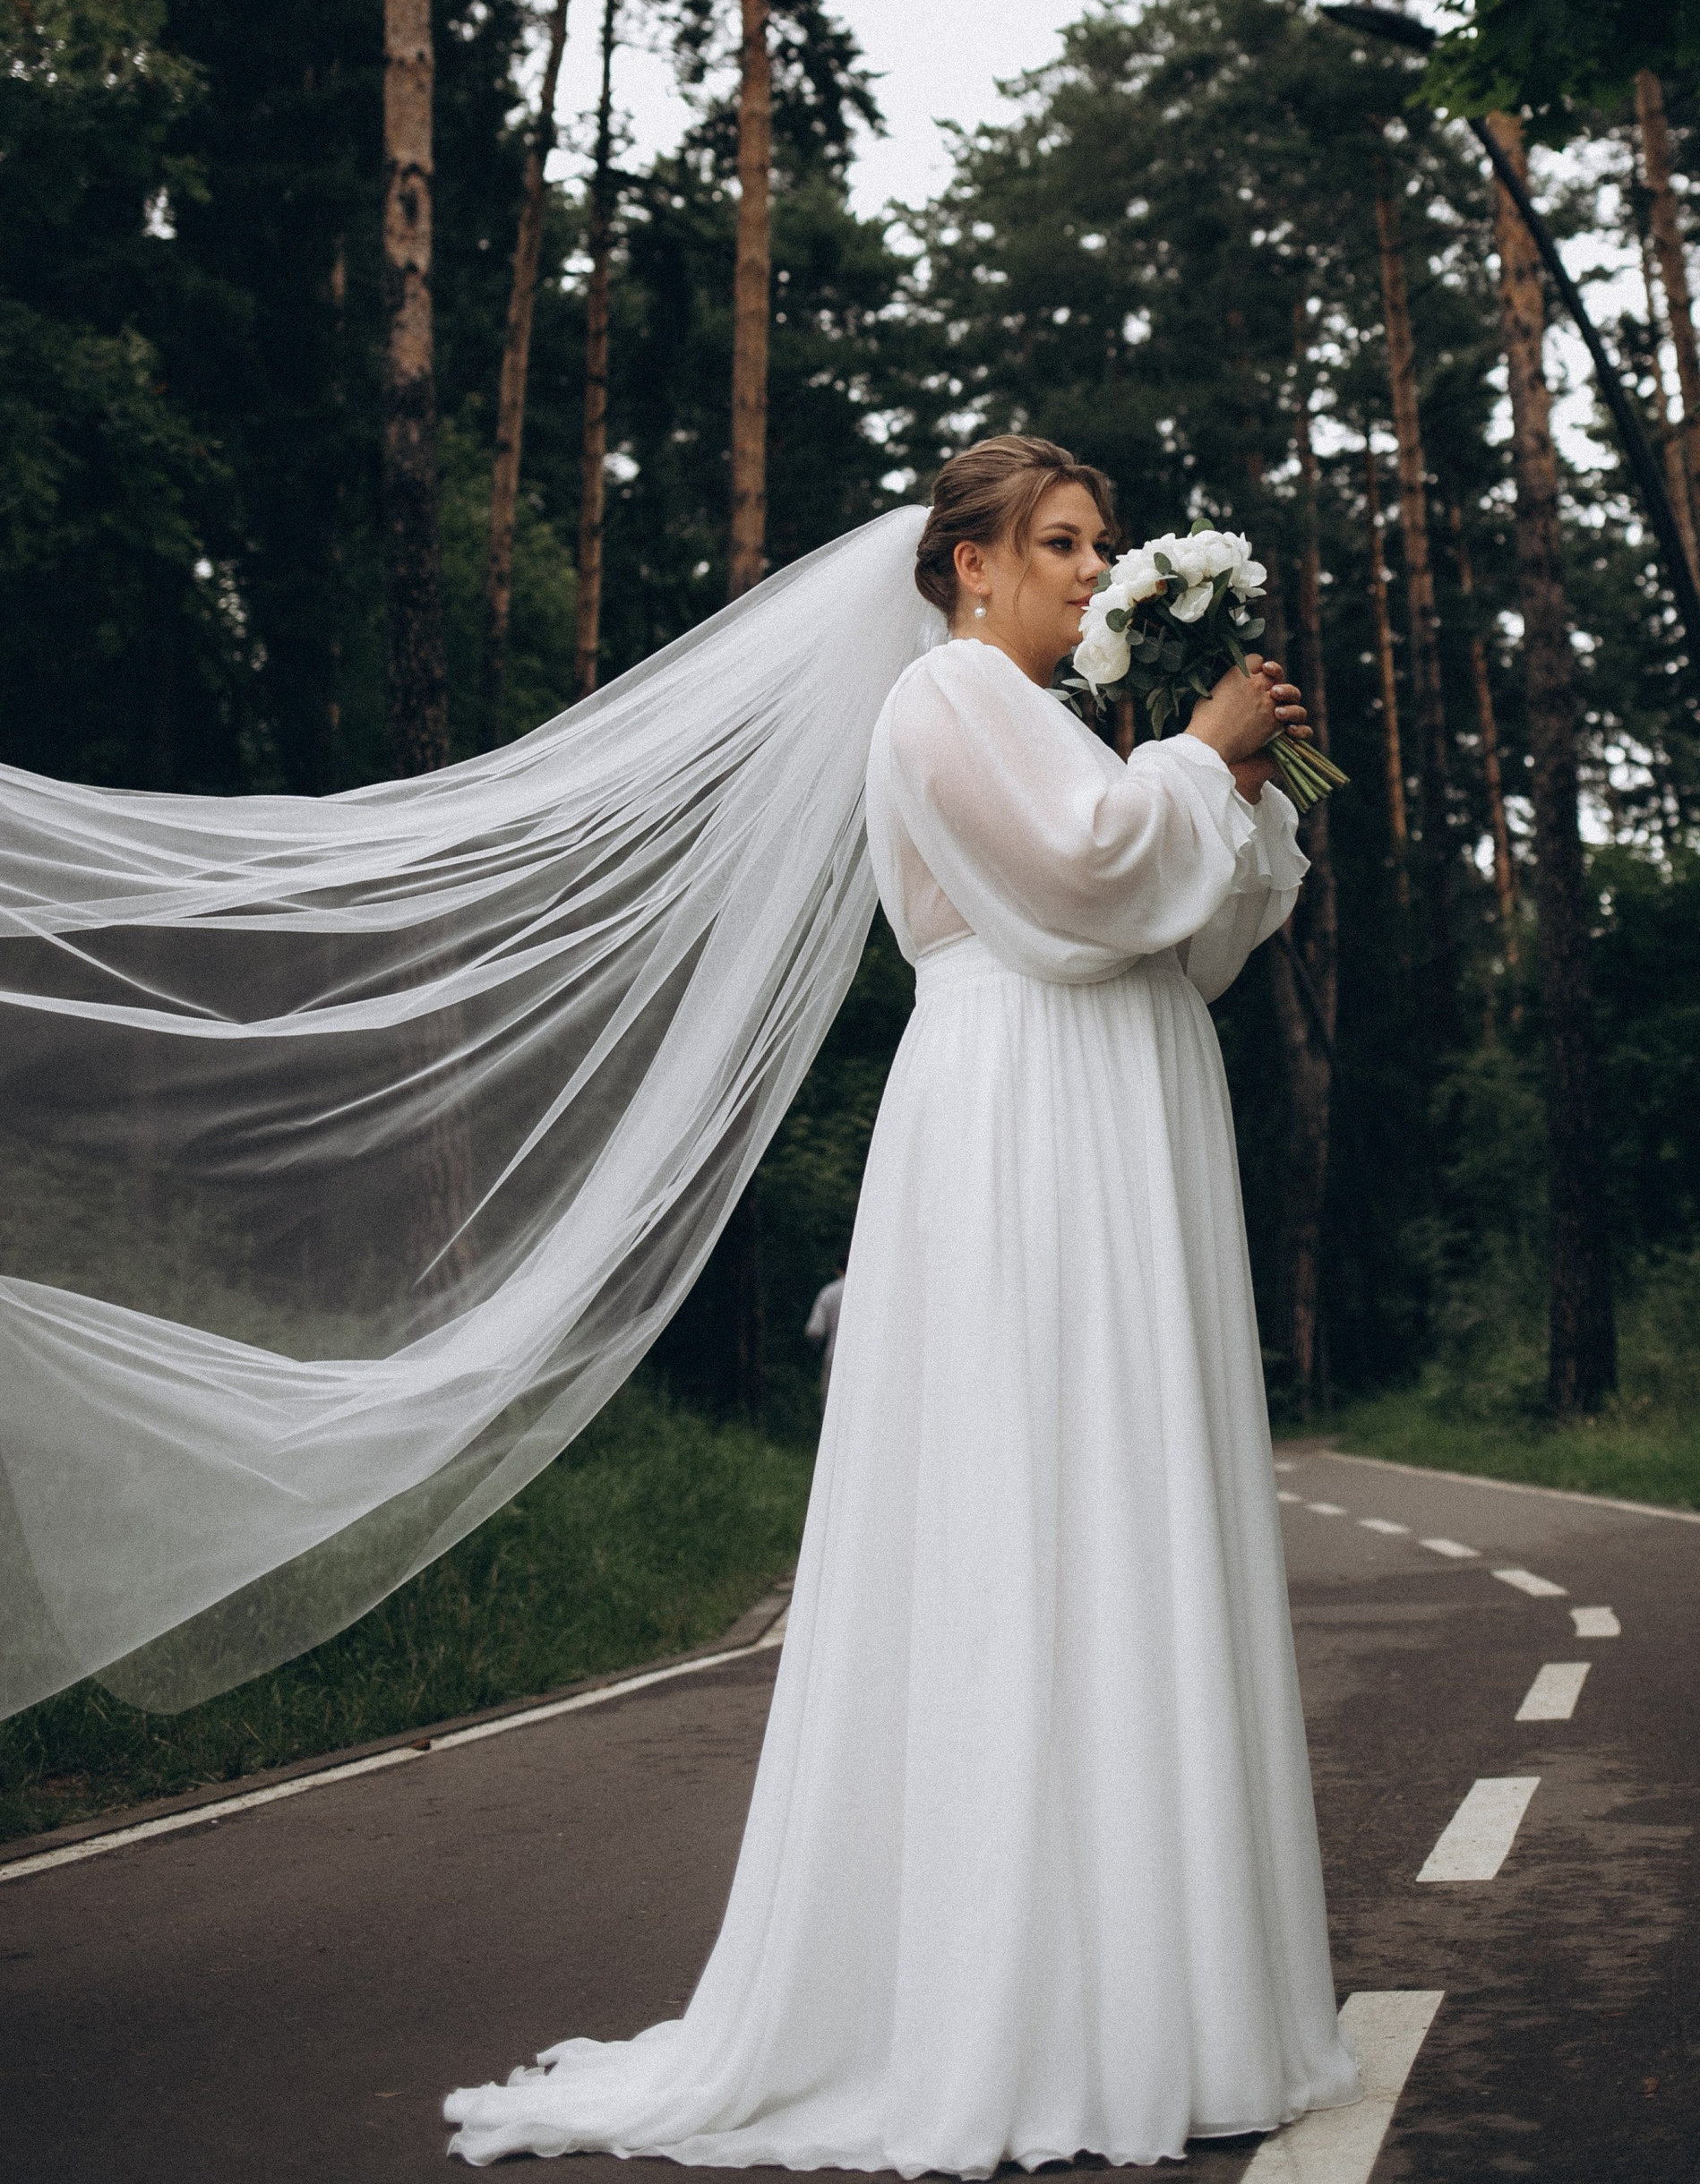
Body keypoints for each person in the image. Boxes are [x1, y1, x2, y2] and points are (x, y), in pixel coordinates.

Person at [444, 436, 1359, 2175]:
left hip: (1122, 1101)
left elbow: (1186, 940)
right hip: (1023, 1114)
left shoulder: (1058, 721)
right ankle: (1007, 2009)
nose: (1095, 573)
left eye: (1102, 547)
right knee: (1028, 1523)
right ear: (968, 567)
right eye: (1064, 544)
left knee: (1125, 1517)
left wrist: (1237, 790)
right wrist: (1192, 754)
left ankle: (1149, 1994)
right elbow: (1087, 885)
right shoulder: (942, 703)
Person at [803, 1263, 845, 1391]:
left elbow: (814, 1331)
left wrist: (817, 1349)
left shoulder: (830, 1292)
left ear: (838, 1270)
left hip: (835, 1355)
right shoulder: (872, 1294)